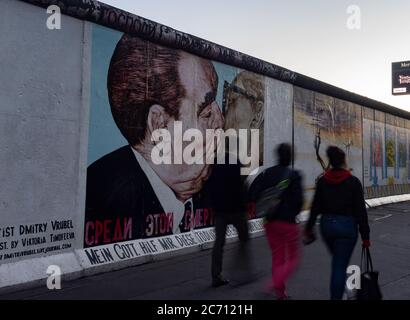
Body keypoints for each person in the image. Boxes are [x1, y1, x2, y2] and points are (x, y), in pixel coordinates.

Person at [84, 34, 224, 247]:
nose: (220, 121)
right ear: (159, 125)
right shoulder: (99, 198)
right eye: (206, 113)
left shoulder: (215, 183)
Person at [304, 146, 371, 300]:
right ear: (344, 161)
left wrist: (308, 228)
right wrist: (365, 237)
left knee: (338, 262)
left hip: (327, 227)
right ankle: (338, 295)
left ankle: (345, 290)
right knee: (339, 266)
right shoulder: (353, 182)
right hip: (346, 228)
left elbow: (315, 207)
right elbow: (361, 212)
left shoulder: (322, 181)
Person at [249, 143, 304, 300]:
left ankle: (280, 294)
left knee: (277, 257)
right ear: (290, 157)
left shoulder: (267, 173)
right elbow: (299, 201)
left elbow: (253, 192)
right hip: (288, 222)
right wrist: (293, 212)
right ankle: (272, 285)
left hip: (269, 221)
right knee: (294, 259)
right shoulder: (294, 175)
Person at [208, 151, 250, 287]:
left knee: (219, 243)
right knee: (244, 239)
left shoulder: (216, 167)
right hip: (237, 210)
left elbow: (211, 189)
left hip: (220, 211)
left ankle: (216, 276)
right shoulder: (236, 165)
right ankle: (240, 270)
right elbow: (242, 187)